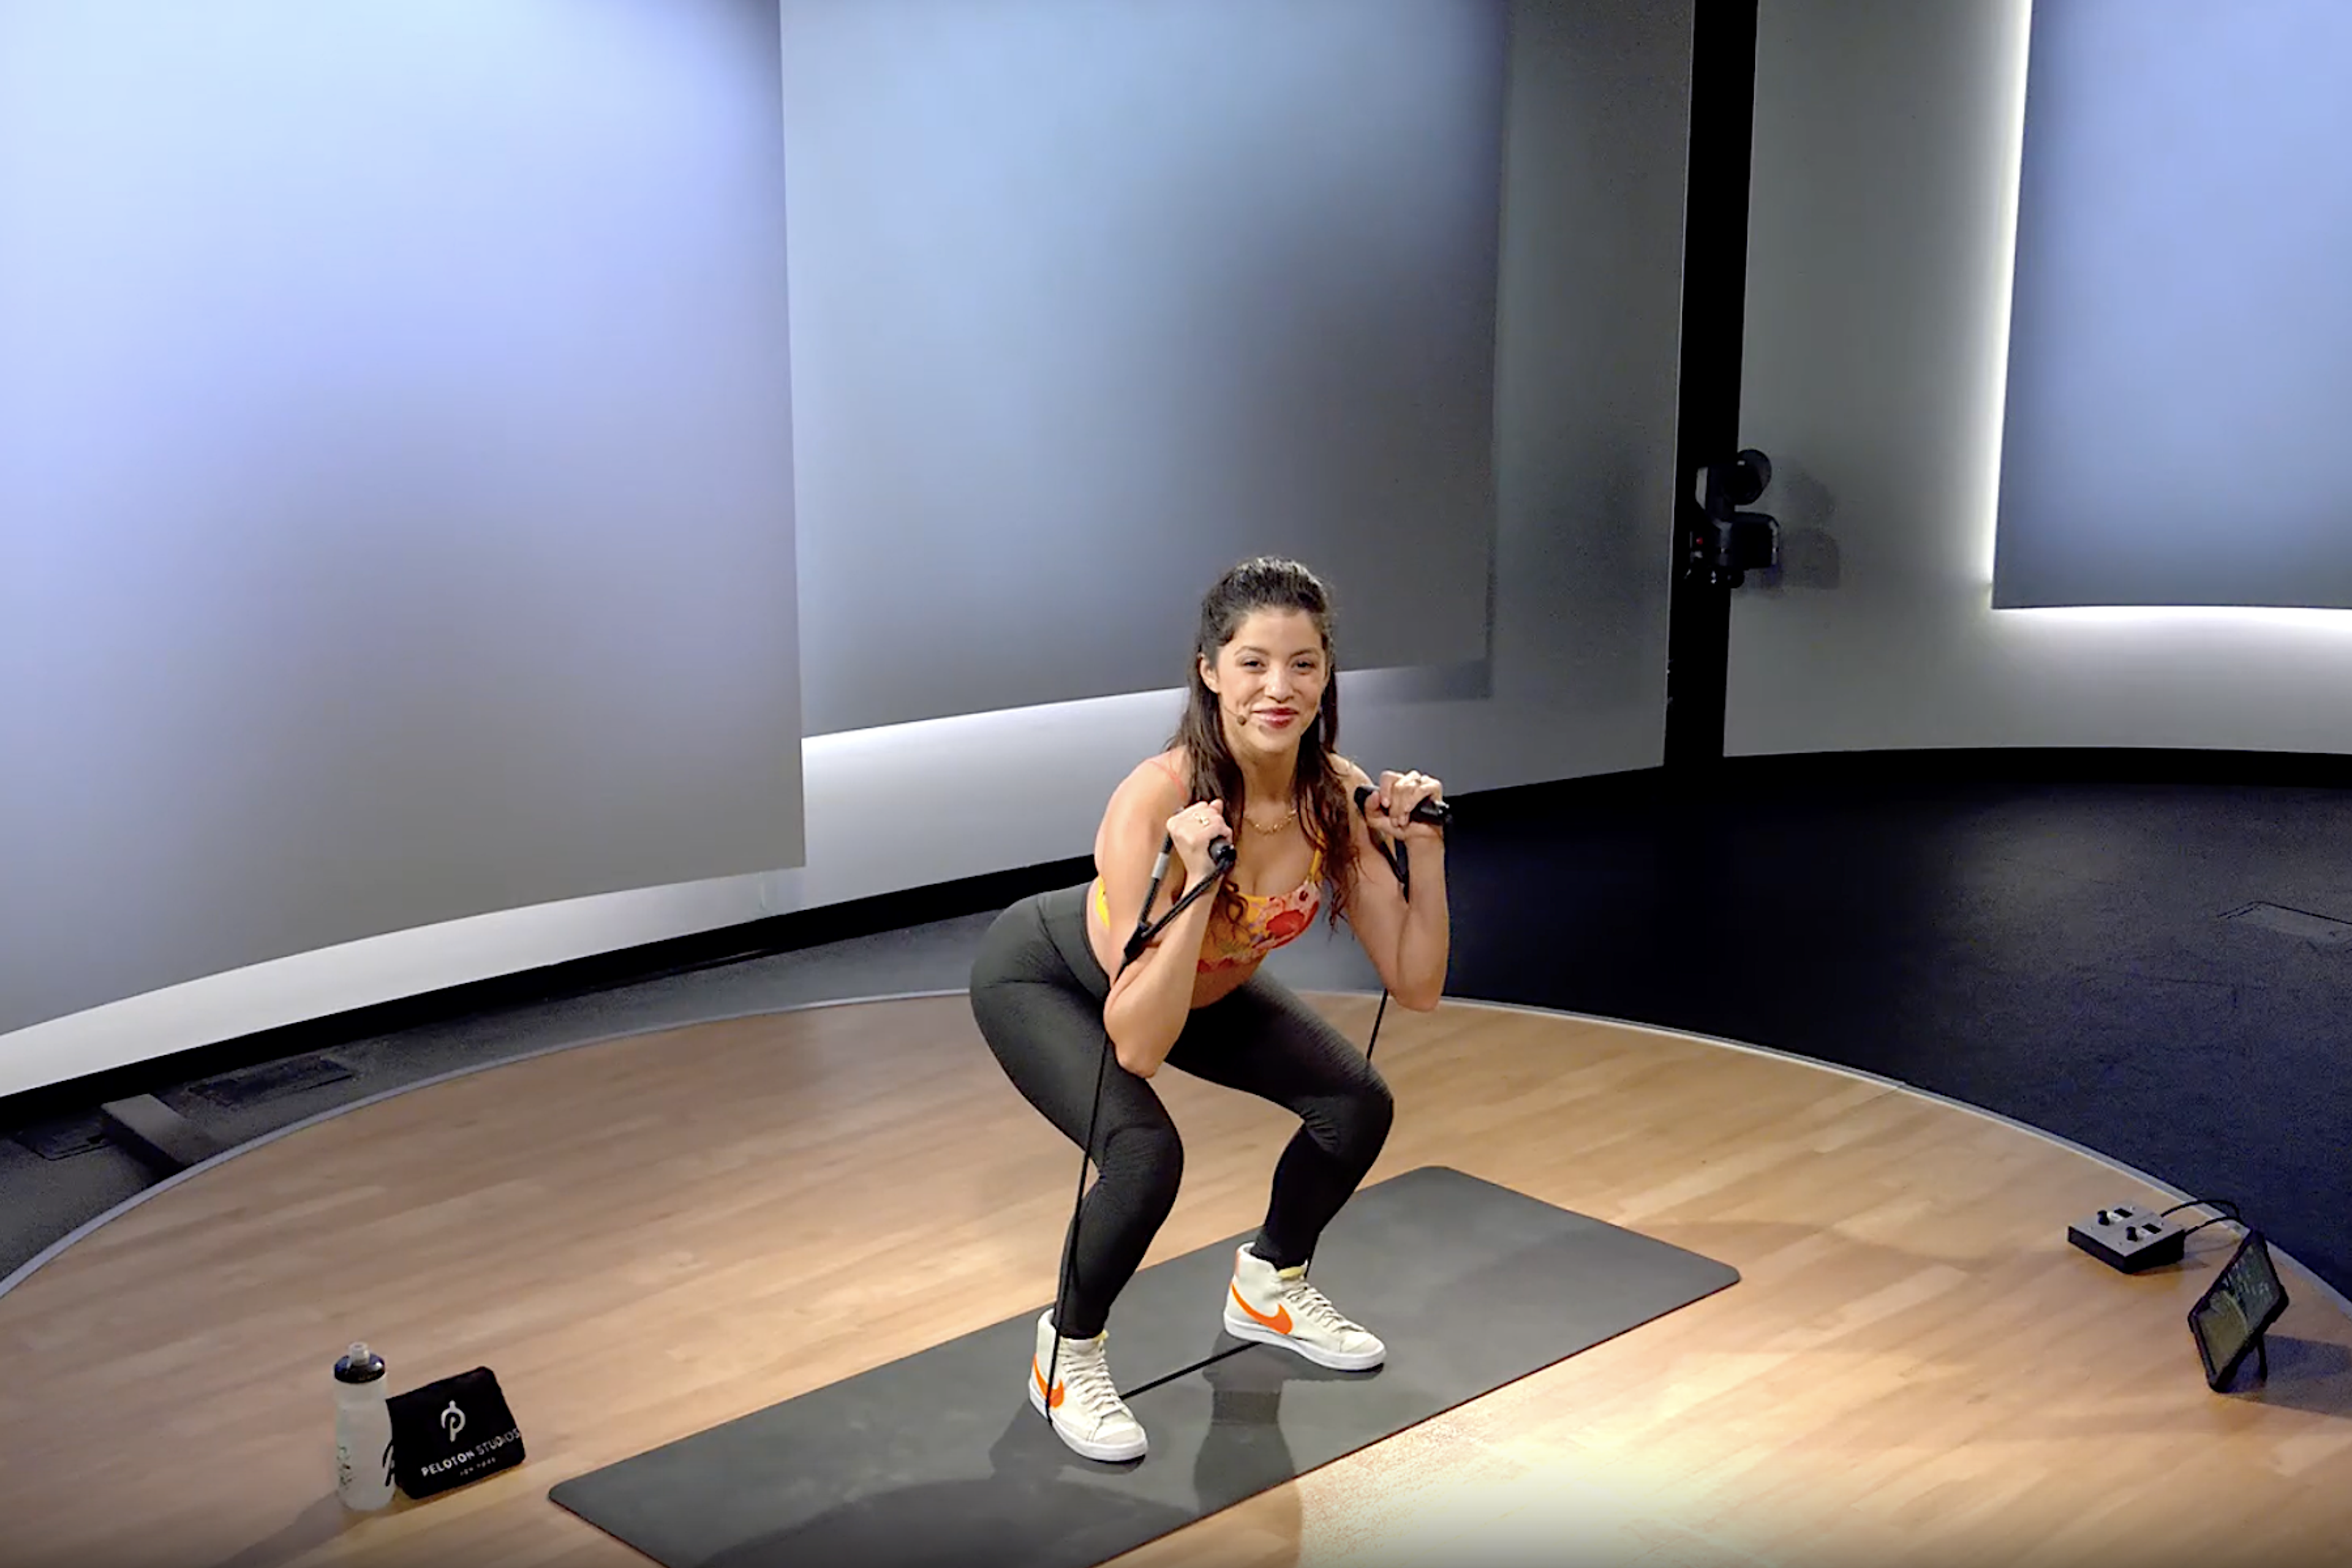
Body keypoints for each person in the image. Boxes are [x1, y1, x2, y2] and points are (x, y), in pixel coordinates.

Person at [967, 556, 1450, 1463]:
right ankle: (1066, 1357)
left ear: (1326, 674)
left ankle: (1269, 1282)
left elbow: (1415, 986)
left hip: (1201, 986)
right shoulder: (1154, 800)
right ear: (1210, 671)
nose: (1280, 688)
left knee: (1357, 1104)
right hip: (1052, 979)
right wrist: (1194, 882)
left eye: (1303, 664)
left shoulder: (1331, 794)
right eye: (1254, 663)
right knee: (1145, 1154)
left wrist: (1419, 850)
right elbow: (1140, 1042)